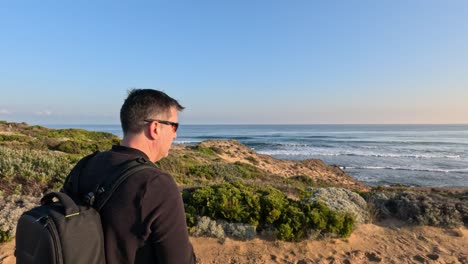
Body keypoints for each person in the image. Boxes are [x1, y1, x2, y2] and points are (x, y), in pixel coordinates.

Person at [76, 89, 196, 263]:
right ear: (155, 128)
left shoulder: (85, 164)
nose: (175, 135)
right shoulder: (156, 184)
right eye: (174, 126)